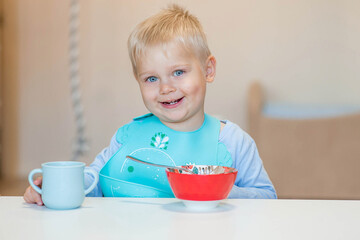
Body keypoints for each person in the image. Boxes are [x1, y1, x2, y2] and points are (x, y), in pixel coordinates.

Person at [24, 4, 276, 205]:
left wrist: (221, 194)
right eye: (151, 78)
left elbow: (268, 198)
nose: (165, 88)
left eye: (178, 72)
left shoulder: (233, 142)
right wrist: (55, 186)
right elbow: (93, 182)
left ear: (208, 70)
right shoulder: (126, 137)